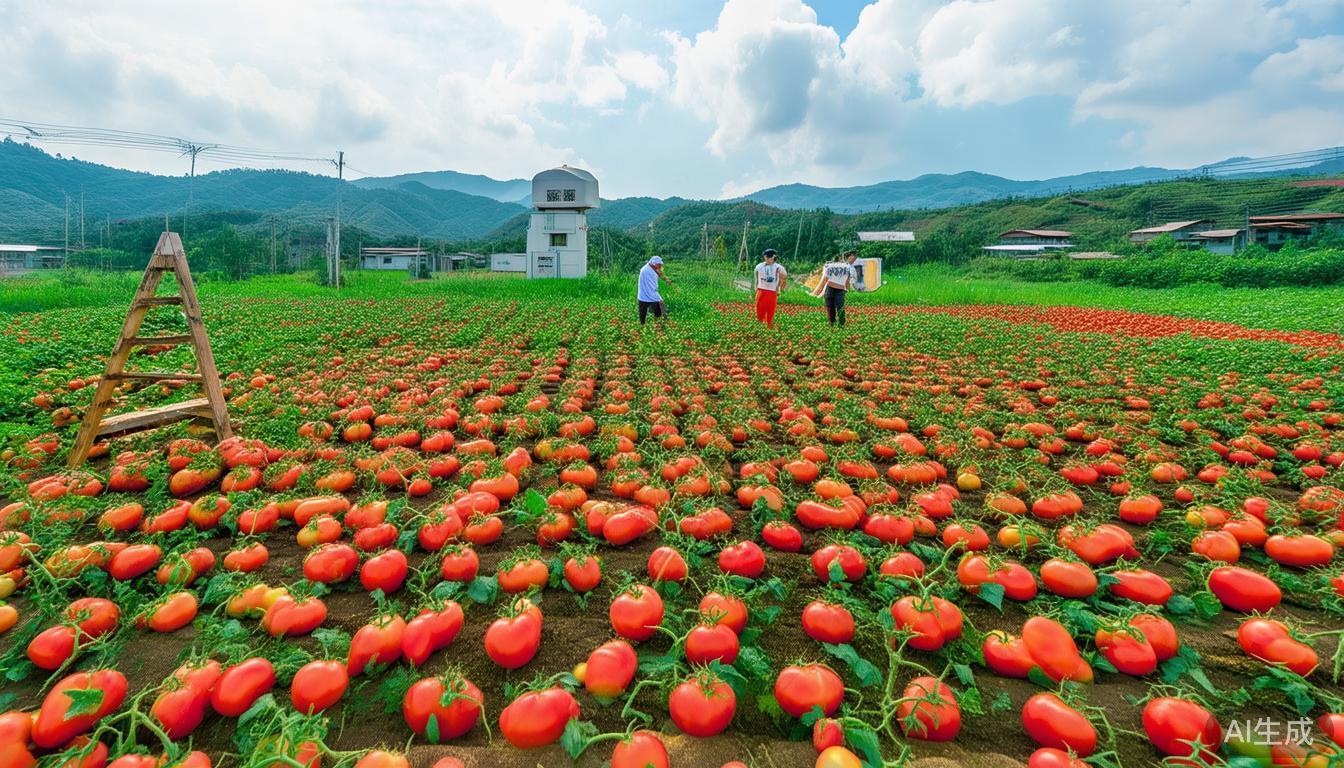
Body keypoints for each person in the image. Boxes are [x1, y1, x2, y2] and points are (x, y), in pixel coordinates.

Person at [811, 250, 858, 327]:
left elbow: (824, 280)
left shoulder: (829, 266)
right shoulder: (846, 266)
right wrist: (847, 290)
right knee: (840, 306)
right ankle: (841, 324)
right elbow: (847, 281)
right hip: (840, 289)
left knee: (830, 306)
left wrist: (817, 292)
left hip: (830, 288)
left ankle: (832, 323)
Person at [753, 248, 787, 329]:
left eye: (771, 257)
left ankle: (769, 327)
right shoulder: (759, 266)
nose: (769, 259)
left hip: (772, 292)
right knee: (760, 310)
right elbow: (756, 280)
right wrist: (756, 290)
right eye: (767, 257)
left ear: (774, 257)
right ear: (764, 257)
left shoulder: (778, 267)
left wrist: (779, 287)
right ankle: (759, 328)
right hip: (761, 290)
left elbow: (784, 276)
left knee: (770, 311)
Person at [637, 255, 671, 325]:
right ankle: (642, 326)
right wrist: (658, 298)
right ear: (654, 264)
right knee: (643, 313)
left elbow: (659, 273)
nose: (660, 266)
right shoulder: (646, 271)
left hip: (651, 292)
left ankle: (658, 324)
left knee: (657, 311)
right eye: (659, 265)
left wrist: (666, 280)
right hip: (644, 294)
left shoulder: (653, 267)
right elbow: (652, 287)